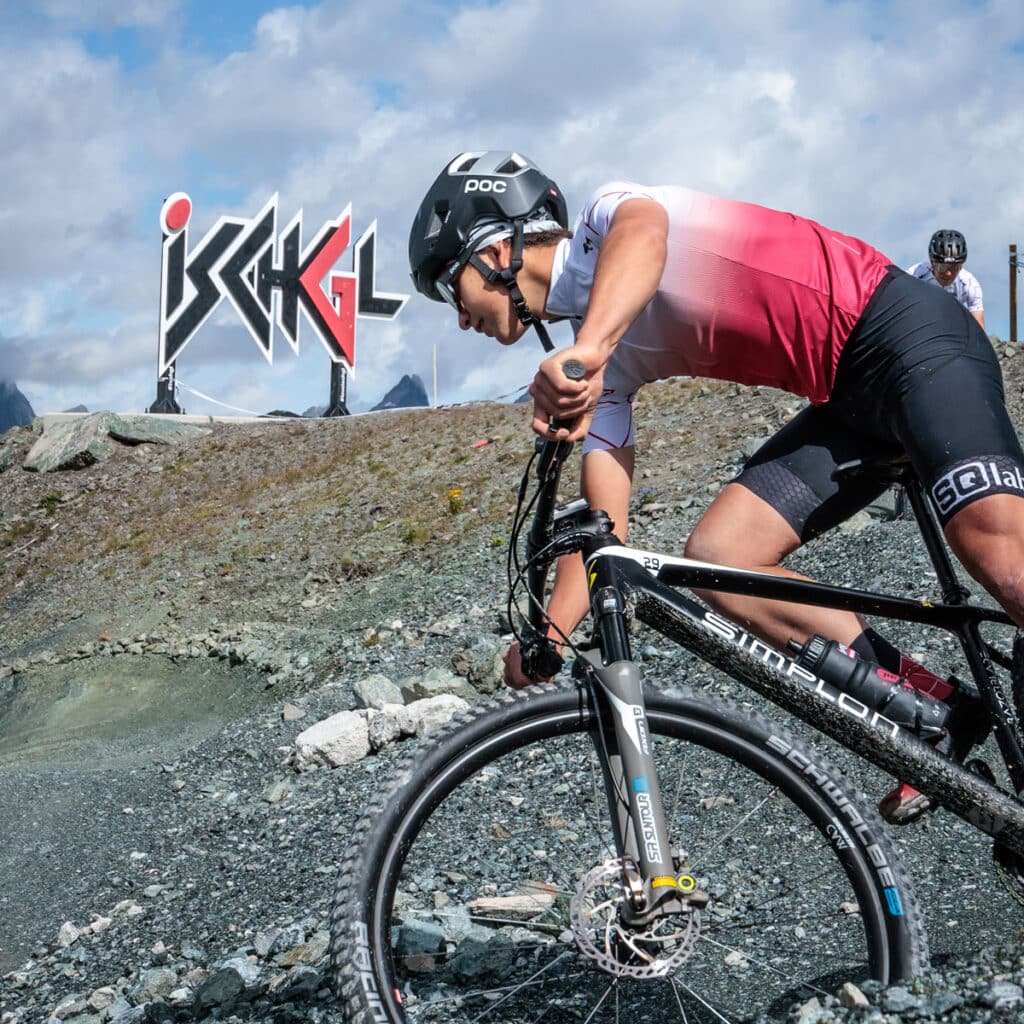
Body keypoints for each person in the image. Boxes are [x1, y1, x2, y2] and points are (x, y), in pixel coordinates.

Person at [408, 151, 1024, 824]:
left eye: (449, 287)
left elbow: (645, 236)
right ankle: (936, 711)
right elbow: (604, 529)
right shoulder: (600, 359)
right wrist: (552, 636)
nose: (458, 317)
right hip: (847, 400)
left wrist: (589, 353)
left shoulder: (607, 219)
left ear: (497, 249)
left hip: (910, 337)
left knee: (998, 556)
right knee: (721, 558)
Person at [907, 229, 985, 328]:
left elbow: (980, 330)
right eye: (943, 267)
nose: (948, 273)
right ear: (932, 263)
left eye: (954, 267)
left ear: (961, 266)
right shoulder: (914, 275)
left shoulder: (970, 285)